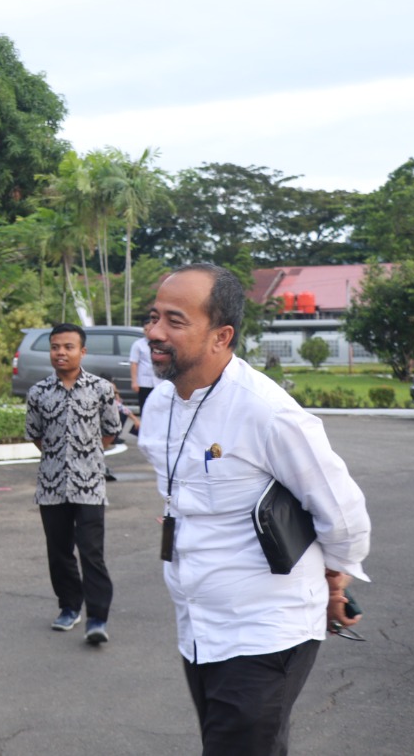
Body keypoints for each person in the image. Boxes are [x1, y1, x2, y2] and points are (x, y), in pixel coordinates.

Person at [137, 263, 370, 756]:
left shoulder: (266, 410)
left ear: (222, 336)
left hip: (266, 627)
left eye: (175, 321)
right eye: (153, 316)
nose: (155, 332)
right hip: (198, 622)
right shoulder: (161, 405)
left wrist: (335, 579)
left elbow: (342, 509)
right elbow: (180, 493)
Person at [24, 323, 121, 644]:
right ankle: (69, 607)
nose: (60, 353)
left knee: (92, 553)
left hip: (90, 485)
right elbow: (37, 436)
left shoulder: (101, 389)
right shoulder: (38, 392)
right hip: (51, 486)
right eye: (55, 347)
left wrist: (85, 457)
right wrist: (58, 459)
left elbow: (110, 432)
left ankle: (97, 618)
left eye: (68, 347)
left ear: (82, 351)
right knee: (59, 552)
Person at [129, 317, 158, 423]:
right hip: (144, 382)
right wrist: (134, 381)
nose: (148, 332)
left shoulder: (160, 344)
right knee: (145, 408)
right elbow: (134, 363)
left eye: (150, 330)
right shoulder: (138, 344)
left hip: (159, 382)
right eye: (146, 330)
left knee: (158, 408)